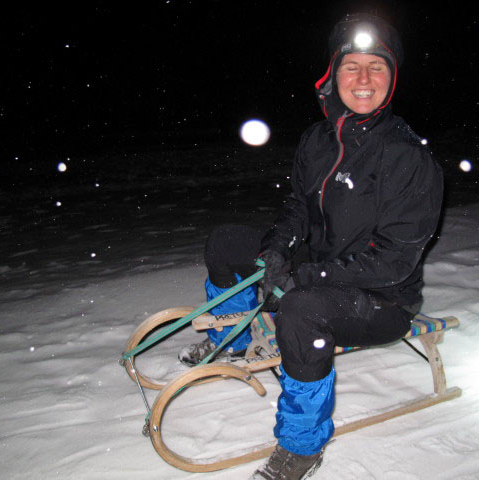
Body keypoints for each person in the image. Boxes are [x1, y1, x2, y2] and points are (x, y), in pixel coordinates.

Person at [178, 12, 444, 480]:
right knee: (226, 242)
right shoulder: (317, 140)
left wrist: (303, 277)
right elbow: (297, 207)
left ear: (392, 78)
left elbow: (394, 261)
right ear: (332, 75)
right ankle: (231, 342)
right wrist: (277, 250)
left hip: (382, 298)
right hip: (322, 267)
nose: (363, 79)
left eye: (376, 67)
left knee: (301, 309)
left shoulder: (409, 159)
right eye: (351, 66)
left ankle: (302, 446)